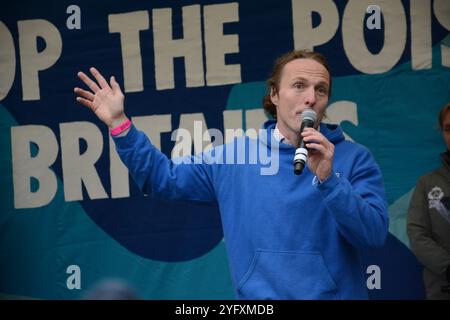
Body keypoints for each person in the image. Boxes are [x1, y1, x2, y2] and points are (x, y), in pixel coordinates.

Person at [74, 50, 389, 300]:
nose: (311, 98)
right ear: (275, 95)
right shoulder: (235, 156)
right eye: (298, 86)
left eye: (321, 89)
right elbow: (162, 177)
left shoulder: (354, 158)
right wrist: (118, 123)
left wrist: (329, 180)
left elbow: (373, 235)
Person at [407, 103, 450, 300]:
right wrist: (447, 266)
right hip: (442, 288)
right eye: (448, 129)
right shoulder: (428, 182)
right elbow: (417, 234)